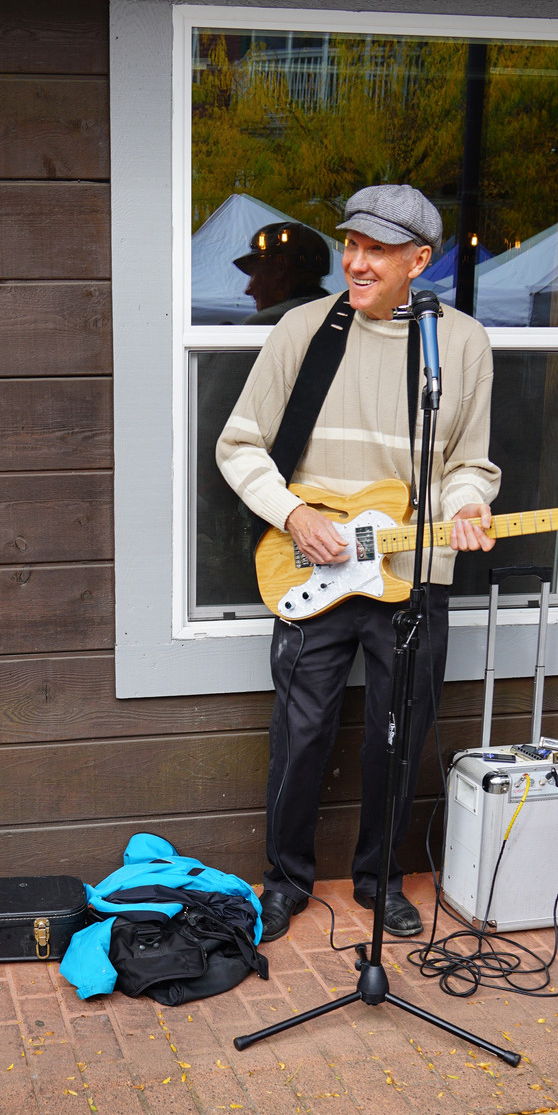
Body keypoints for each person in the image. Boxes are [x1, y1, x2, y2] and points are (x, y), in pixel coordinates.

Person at [217, 184, 500, 942]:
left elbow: (470, 463)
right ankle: (286, 879)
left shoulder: (461, 344)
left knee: (398, 734)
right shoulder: (304, 330)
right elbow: (238, 445)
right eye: (351, 244)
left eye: (377, 249)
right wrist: (294, 515)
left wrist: (468, 505)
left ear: (420, 260)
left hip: (413, 574)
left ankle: (379, 879)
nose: (356, 260)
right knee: (300, 732)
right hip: (314, 564)